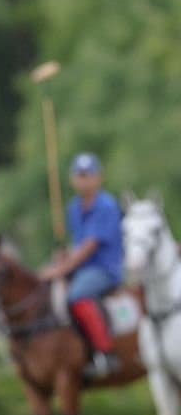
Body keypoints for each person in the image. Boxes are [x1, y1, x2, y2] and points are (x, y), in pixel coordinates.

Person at [40, 152, 124, 379]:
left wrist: (61, 269)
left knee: (76, 295)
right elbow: (78, 244)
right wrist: (64, 255)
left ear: (98, 177)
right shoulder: (73, 208)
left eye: (88, 175)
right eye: (80, 175)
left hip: (104, 269)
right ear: (73, 179)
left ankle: (105, 352)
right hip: (82, 267)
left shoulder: (106, 205)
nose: (84, 180)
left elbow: (89, 246)